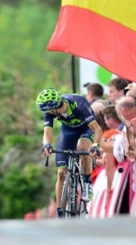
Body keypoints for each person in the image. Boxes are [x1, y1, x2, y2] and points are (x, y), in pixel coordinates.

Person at [35, 88, 102, 218]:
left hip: (86, 129)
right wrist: (47, 145)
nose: (45, 113)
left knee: (82, 148)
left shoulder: (79, 104)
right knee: (61, 173)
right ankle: (59, 210)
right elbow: (47, 133)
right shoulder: (50, 111)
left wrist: (95, 146)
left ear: (54, 107)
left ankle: (87, 182)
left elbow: (97, 129)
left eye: (47, 110)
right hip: (68, 132)